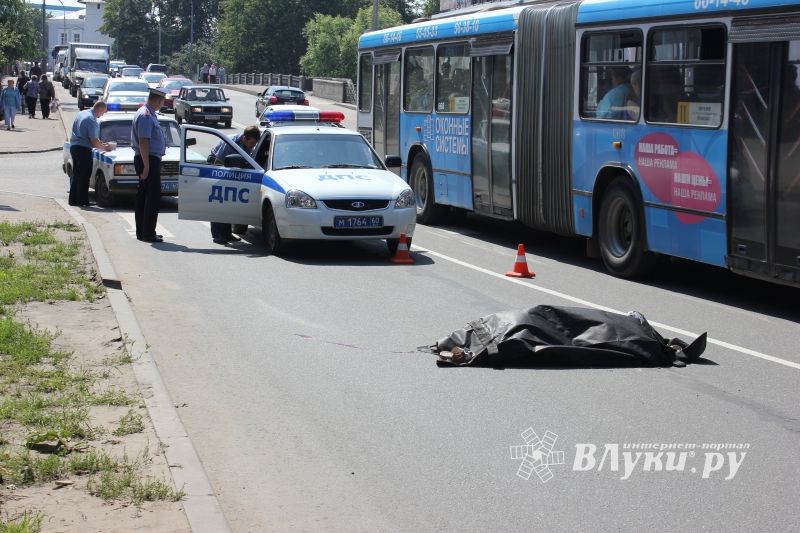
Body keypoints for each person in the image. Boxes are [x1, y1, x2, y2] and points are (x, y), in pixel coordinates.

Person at [207, 125, 262, 244]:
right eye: (251, 143)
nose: (252, 147)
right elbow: (218, 163)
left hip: (231, 168)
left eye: (254, 144)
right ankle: (217, 235)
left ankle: (227, 233)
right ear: (244, 138)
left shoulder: (247, 145)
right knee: (219, 202)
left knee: (229, 202)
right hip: (218, 166)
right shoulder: (230, 143)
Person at [132, 88, 167, 243]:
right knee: (151, 197)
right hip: (148, 160)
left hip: (149, 159)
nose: (163, 103)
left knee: (145, 197)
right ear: (158, 100)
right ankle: (148, 233)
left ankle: (143, 231)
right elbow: (144, 142)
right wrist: (146, 166)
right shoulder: (146, 115)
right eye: (163, 101)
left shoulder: (149, 113)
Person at [69, 101, 111, 206]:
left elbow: (90, 138)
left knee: (77, 175)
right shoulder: (91, 120)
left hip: (75, 147)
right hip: (83, 149)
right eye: (103, 112)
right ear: (100, 109)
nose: (102, 115)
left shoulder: (82, 113)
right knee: (84, 176)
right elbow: (94, 141)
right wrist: (105, 148)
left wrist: (100, 144)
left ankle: (73, 200)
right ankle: (83, 201)